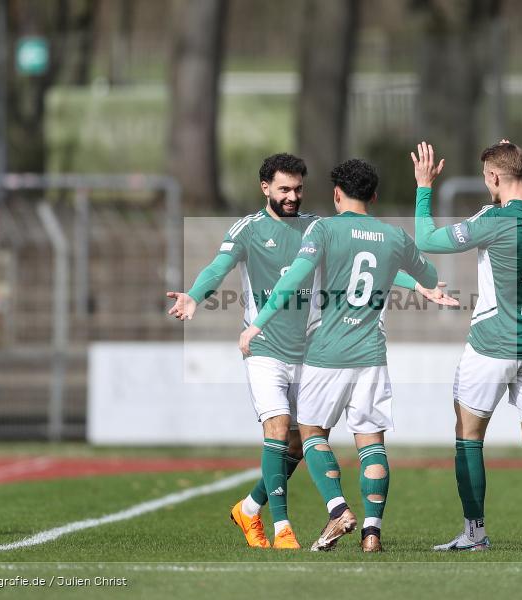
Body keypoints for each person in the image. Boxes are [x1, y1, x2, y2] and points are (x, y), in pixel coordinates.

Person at [167, 153, 452, 550]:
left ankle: (249, 508)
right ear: (265, 188)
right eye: (284, 189)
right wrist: (196, 296)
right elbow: (218, 268)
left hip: (310, 350)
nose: (292, 196)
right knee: (280, 429)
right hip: (266, 346)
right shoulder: (248, 229)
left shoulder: (318, 228)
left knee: (302, 444)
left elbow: (364, 261)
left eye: (298, 188)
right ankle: (282, 528)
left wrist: (414, 285)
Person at [410, 140, 522, 551]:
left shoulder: (493, 219)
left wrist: (424, 187)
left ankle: (474, 533)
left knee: (468, 436)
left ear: (493, 177)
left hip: (492, 344)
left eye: (487, 177)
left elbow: (427, 239)